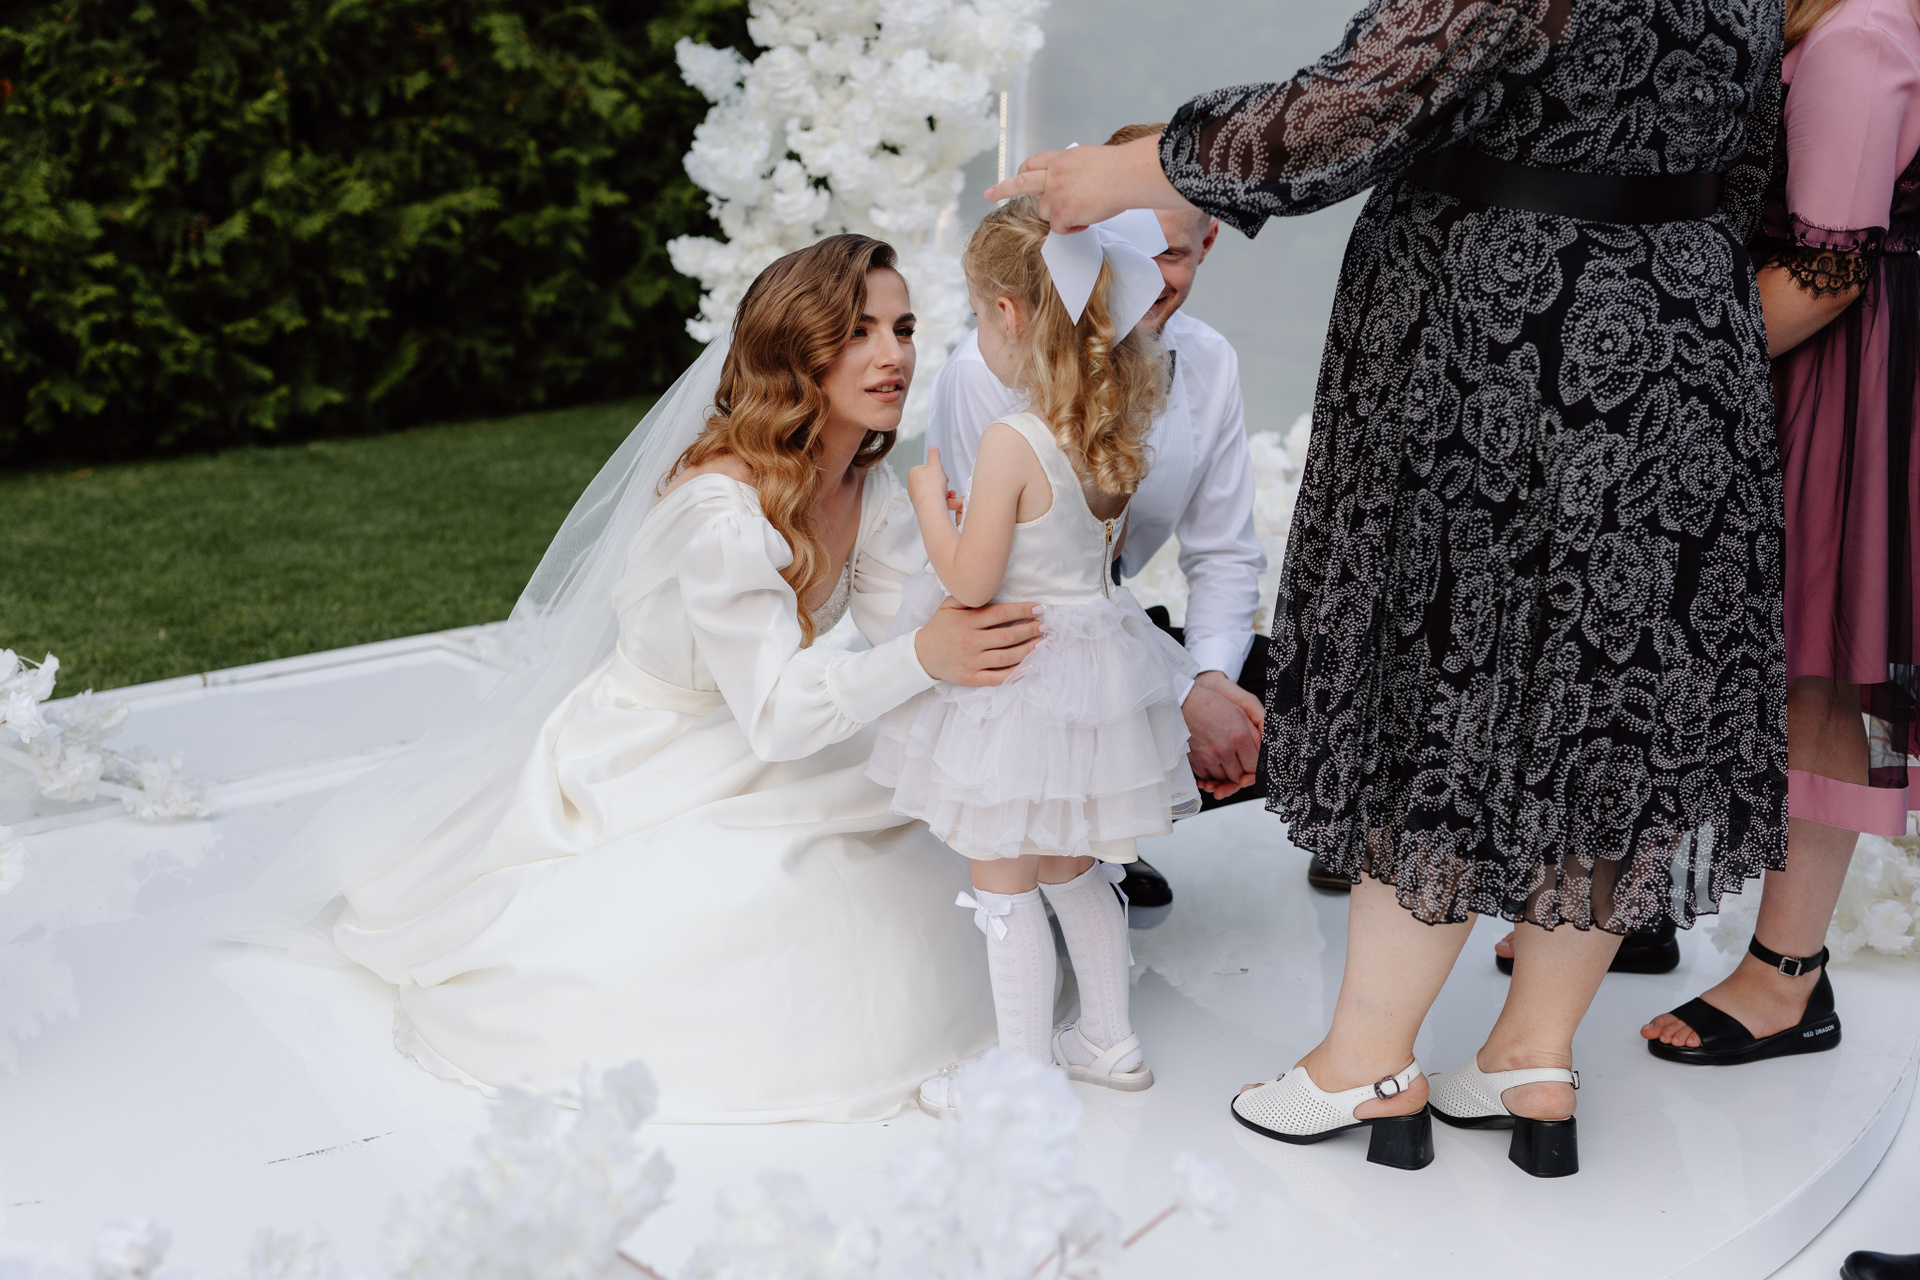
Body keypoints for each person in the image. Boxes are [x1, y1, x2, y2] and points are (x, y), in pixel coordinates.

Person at [989, 0, 1783, 1177]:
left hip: (1505, 332)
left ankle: (1364, 1058)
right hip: (1685, 327)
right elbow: (1748, 150)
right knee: (1613, 684)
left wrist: (1133, 168)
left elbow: (1353, 108)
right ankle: (1533, 1052)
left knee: (1445, 673)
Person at [237, 234, 1049, 1122]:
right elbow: (794, 710)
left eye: (903, 328)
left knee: (921, 824)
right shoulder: (719, 510)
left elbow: (911, 628)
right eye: (858, 332)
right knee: (755, 895)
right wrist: (927, 654)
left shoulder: (870, 482)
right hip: (656, 745)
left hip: (774, 721)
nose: (893, 354)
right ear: (796, 349)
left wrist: (991, 578)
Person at [871, 196, 1201, 1116]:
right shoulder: (1107, 427)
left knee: (1004, 874)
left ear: (1010, 315)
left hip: (1020, 677)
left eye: (981, 317)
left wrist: (931, 501)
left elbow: (972, 581)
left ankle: (1019, 1082)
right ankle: (1109, 1040)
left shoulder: (1012, 440)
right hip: (1093, 671)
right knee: (1074, 865)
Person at [1641, 0, 1920, 1065]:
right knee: (1704, 644)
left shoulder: (1857, 37)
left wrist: (1657, 370)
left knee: (1820, 670)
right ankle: (1629, 900)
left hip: (1825, 386)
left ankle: (1786, 975)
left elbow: (1828, 274)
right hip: (1778, 368)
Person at [928, 124, 1299, 907]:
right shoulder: (991, 368)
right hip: (1012, 648)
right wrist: (1180, 695)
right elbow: (1002, 593)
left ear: (1210, 242)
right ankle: (1075, 845)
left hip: (1109, 620)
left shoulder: (1208, 358)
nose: (1149, 279)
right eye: (1127, 251)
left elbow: (1224, 556)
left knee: (1314, 686)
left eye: (1173, 254)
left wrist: (1209, 681)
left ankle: (1122, 829)